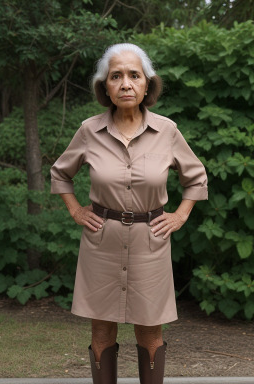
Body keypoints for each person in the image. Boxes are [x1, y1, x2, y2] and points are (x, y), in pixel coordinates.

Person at [50, 43, 208, 384]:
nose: (125, 83)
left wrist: (180, 215)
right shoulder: (89, 131)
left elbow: (196, 178)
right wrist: (76, 210)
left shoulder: (167, 131)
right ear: (104, 86)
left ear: (147, 84)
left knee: (150, 335)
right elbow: (60, 173)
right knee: (102, 334)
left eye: (134, 75)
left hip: (150, 244)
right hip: (100, 244)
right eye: (116, 76)